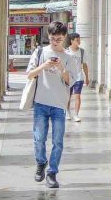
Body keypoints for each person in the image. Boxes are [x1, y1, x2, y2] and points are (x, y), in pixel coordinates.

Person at [25, 20, 72, 189]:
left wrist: (61, 68)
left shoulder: (69, 58)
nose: (55, 42)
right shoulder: (40, 52)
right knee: (39, 139)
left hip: (59, 104)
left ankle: (52, 172)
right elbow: (30, 75)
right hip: (41, 103)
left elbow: (70, 81)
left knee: (58, 141)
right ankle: (40, 162)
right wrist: (43, 66)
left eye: (59, 39)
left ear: (64, 38)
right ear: (49, 37)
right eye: (53, 38)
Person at [66, 32, 89, 122]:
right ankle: (67, 112)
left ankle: (76, 114)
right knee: (68, 96)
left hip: (79, 77)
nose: (79, 41)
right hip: (69, 77)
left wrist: (87, 77)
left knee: (77, 96)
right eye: (77, 40)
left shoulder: (82, 51)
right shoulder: (66, 51)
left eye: (79, 39)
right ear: (72, 41)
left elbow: (85, 65)